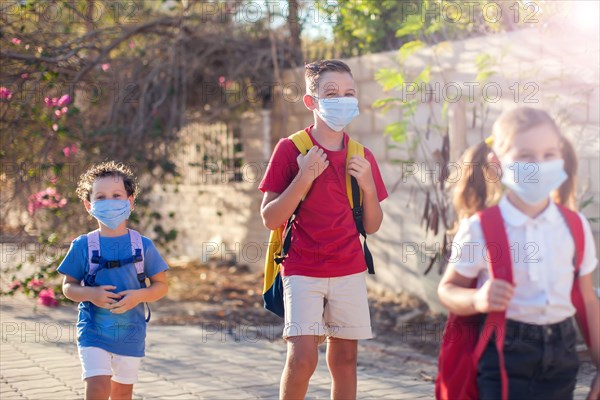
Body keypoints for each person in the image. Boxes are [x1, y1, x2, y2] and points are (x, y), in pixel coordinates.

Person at [438, 107, 600, 399]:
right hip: (505, 352)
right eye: (526, 156)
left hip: (562, 353)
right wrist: (477, 298)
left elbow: (587, 299)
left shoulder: (575, 226)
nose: (538, 164)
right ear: (496, 165)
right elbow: (448, 290)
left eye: (549, 154)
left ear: (561, 157)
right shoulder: (481, 229)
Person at [259, 59, 388, 399]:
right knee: (302, 359)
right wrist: (304, 176)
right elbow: (271, 218)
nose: (342, 99)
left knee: (345, 360)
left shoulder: (362, 156)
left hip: (348, 269)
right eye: (331, 93)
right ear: (311, 101)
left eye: (349, 93)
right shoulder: (291, 150)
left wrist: (369, 187)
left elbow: (371, 226)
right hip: (302, 269)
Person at [58, 161, 169, 400]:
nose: (109, 201)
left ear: (130, 201)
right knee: (97, 388)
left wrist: (138, 296)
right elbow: (68, 287)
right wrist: (91, 294)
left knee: (121, 393)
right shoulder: (83, 245)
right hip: (93, 331)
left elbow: (162, 285)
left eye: (116, 195)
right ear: (89, 205)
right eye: (101, 197)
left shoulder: (143, 245)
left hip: (131, 333)